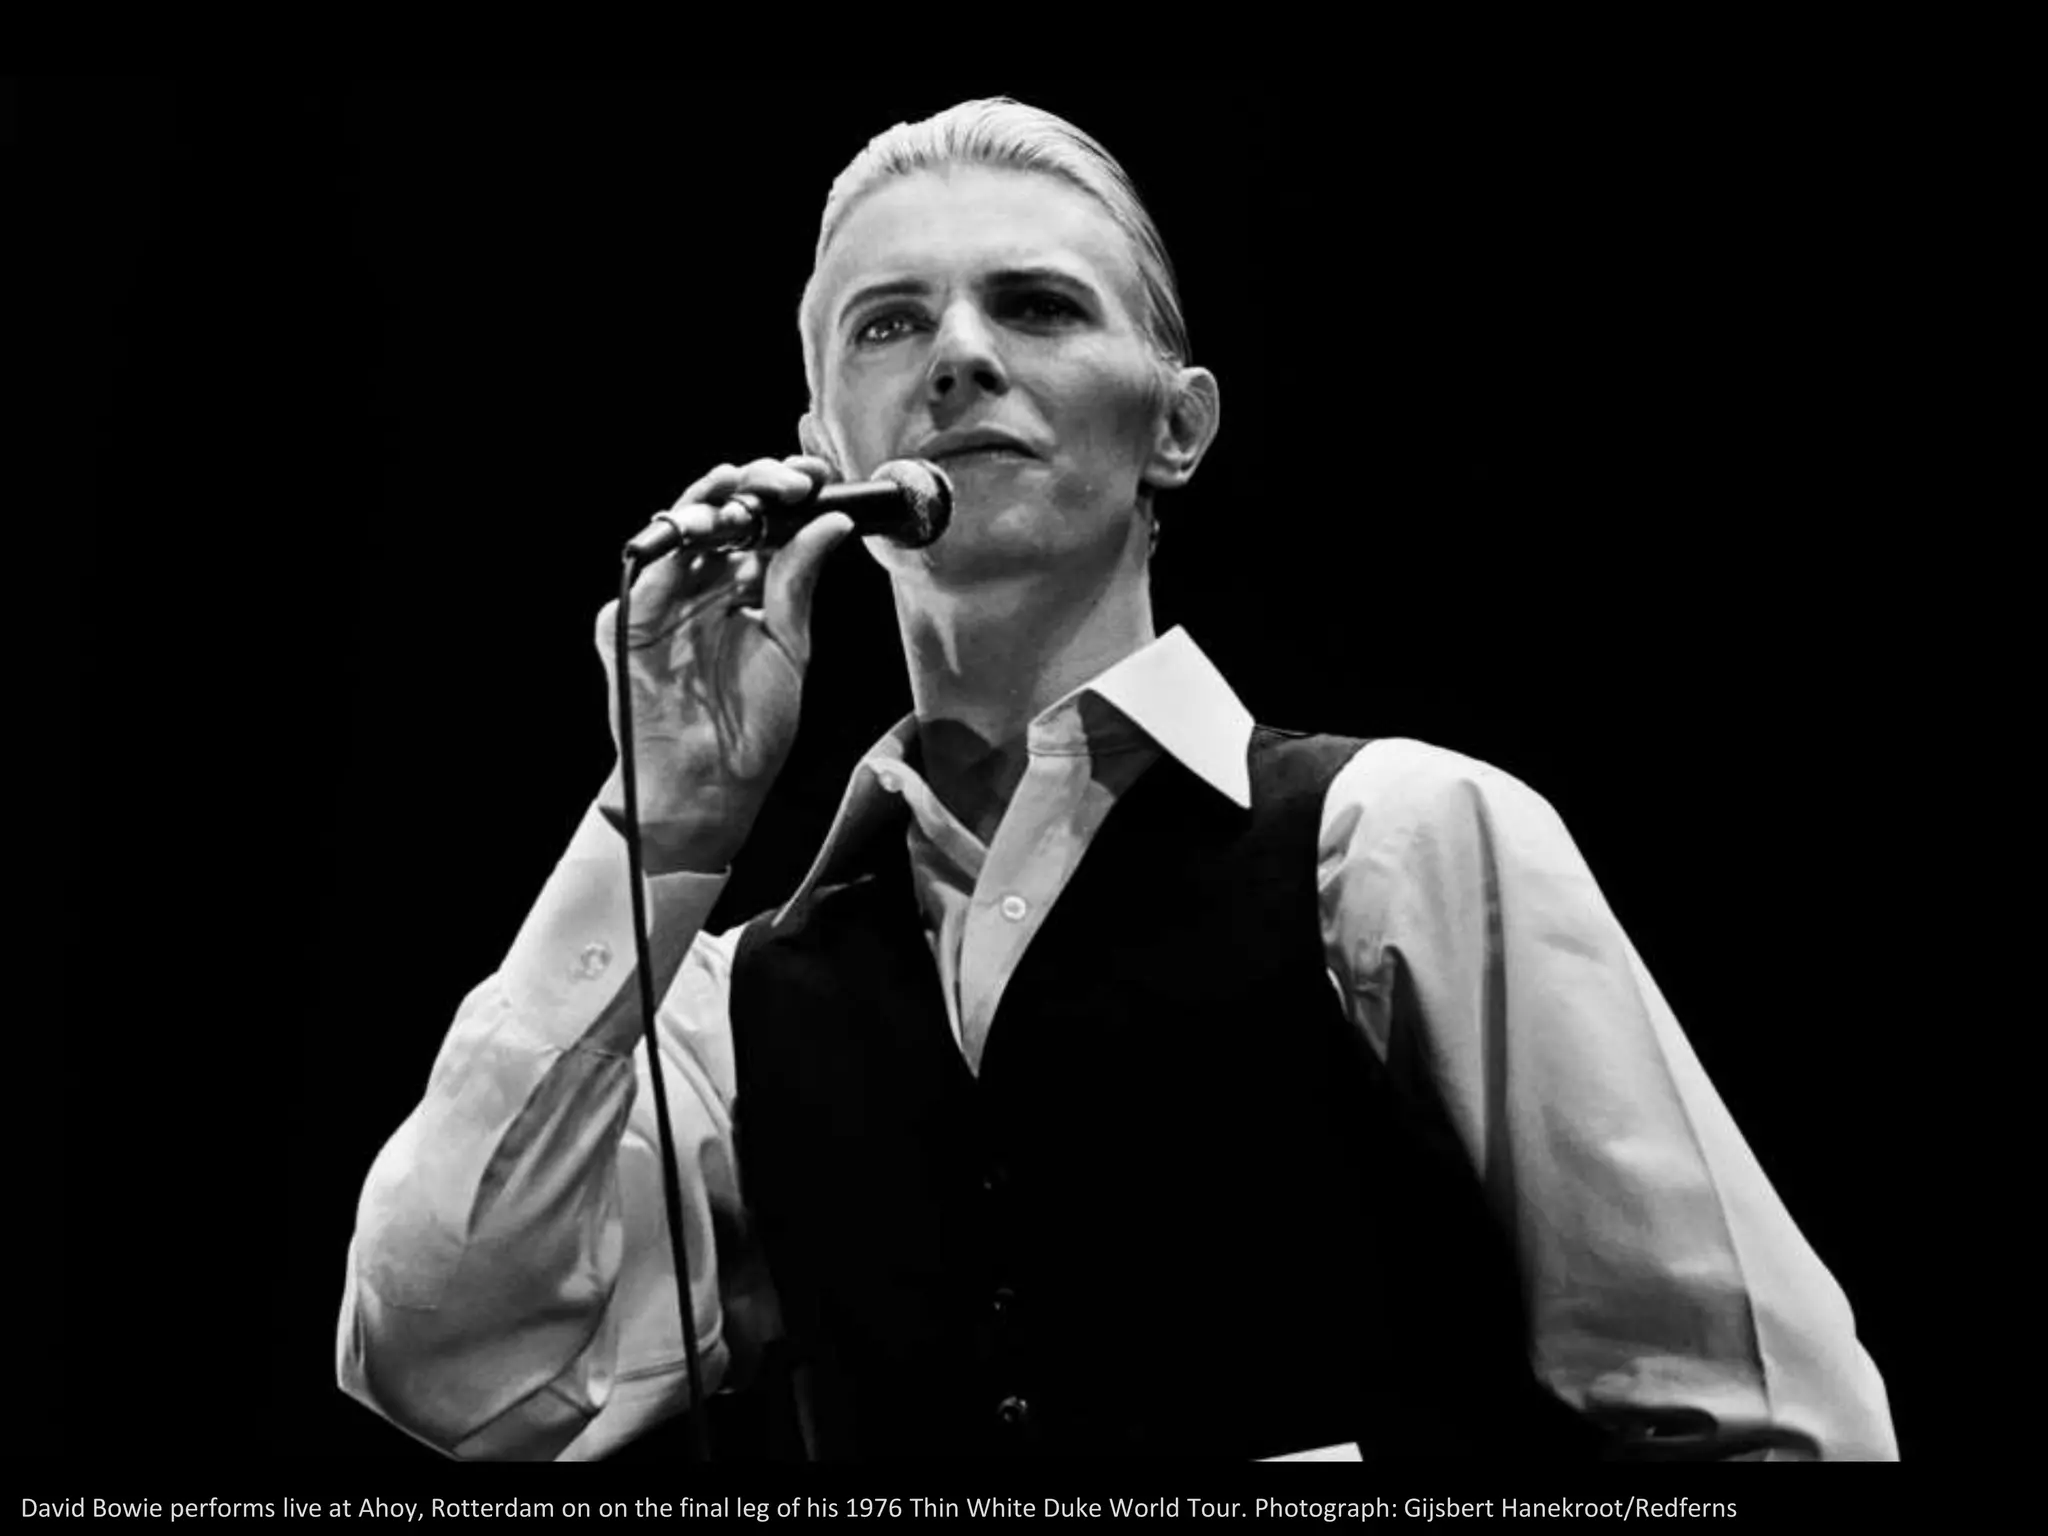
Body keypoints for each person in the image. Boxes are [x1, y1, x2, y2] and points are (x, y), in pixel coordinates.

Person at [335, 97, 1897, 1462]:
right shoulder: (739, 1003)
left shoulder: (1403, 839)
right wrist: (659, 822)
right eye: (889, 324)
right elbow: (456, 1371)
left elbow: (1768, 1419)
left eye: (1035, 308)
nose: (957, 357)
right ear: (823, 442)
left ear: (1180, 428)